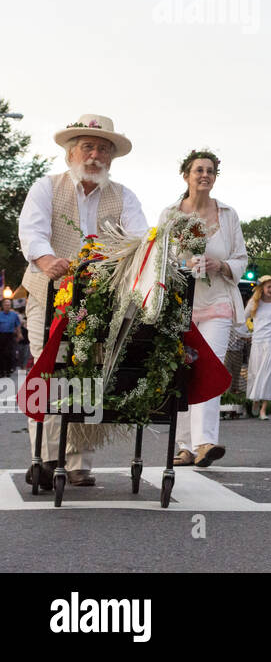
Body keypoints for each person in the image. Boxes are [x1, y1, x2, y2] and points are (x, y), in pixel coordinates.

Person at [19, 114, 147, 489]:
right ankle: (44, 457)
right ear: (71, 153)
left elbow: (139, 240)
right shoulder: (47, 187)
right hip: (49, 294)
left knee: (89, 372)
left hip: (100, 302)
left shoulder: (124, 196)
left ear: (111, 158)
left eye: (103, 149)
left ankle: (77, 462)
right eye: (87, 147)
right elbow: (33, 231)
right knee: (50, 369)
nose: (95, 155)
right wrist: (46, 259)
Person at [165, 149, 248, 467]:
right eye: (198, 169)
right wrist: (182, 263)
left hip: (217, 303)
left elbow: (240, 258)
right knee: (183, 373)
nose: (204, 175)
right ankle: (184, 445)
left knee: (209, 366)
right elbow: (157, 258)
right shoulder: (170, 214)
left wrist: (221, 264)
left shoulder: (228, 214)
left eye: (210, 171)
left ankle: (206, 442)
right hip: (181, 306)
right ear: (186, 175)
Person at [244, 276, 271, 420]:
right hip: (257, 342)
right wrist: (244, 334)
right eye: (268, 286)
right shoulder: (253, 303)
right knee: (256, 373)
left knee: (268, 374)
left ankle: (263, 409)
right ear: (262, 288)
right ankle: (256, 400)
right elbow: (242, 319)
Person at [0, 298, 21, 378]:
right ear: (3, 306)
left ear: (10, 305)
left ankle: (8, 370)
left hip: (10, 336)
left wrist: (19, 334)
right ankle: (1, 371)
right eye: (6, 304)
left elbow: (18, 325)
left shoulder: (14, 315)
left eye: (8, 305)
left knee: (9, 353)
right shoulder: (0, 314)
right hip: (1, 336)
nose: (7, 306)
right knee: (1, 354)